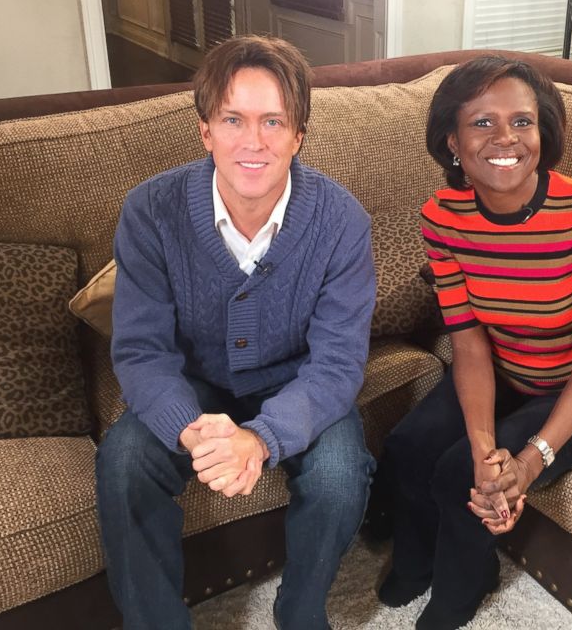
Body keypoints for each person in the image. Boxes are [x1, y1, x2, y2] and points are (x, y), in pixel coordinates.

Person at [96, 35, 377, 630]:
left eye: (274, 121)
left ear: (298, 135)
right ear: (206, 131)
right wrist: (192, 430)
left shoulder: (342, 221)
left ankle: (300, 612)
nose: (254, 142)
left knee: (340, 472)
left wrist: (263, 437)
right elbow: (143, 350)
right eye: (234, 119)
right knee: (123, 461)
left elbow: (337, 364)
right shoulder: (150, 210)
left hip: (297, 383)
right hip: (195, 388)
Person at [376, 56, 572, 629]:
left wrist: (527, 460)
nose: (506, 139)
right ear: (451, 139)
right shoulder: (441, 219)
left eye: (522, 122)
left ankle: (461, 591)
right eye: (482, 123)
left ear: (544, 132)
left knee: (458, 476)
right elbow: (469, 344)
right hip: (502, 372)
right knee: (408, 447)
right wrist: (482, 443)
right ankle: (417, 561)